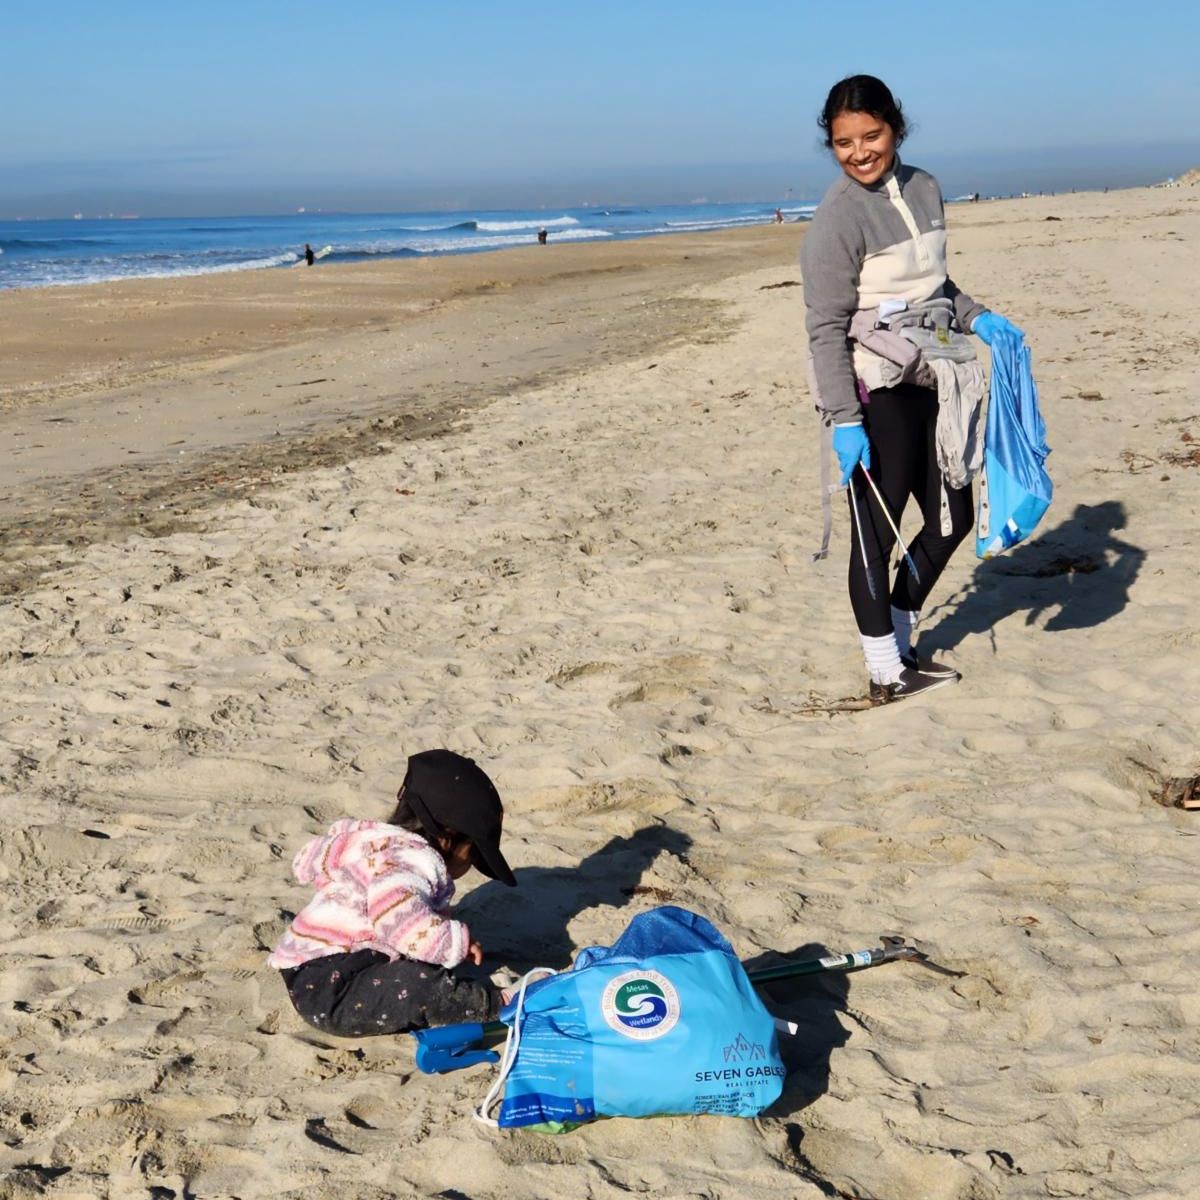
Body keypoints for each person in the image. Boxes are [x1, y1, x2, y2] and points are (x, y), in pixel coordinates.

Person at [800, 75, 1023, 701]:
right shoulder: (836, 220)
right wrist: (845, 419)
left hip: (938, 376)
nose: (859, 152)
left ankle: (901, 640)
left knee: (953, 519)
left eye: (871, 135)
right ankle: (884, 670)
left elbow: (938, 287)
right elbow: (823, 327)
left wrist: (981, 318)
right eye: (843, 142)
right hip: (875, 391)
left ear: (896, 127)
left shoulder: (925, 187)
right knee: (876, 528)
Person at [268, 749, 518, 1035]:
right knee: (420, 984)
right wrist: (456, 942)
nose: (471, 864)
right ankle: (497, 1003)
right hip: (333, 988)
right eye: (472, 853)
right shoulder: (411, 862)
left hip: (311, 972)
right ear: (447, 841)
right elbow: (403, 925)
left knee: (418, 968)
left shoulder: (380, 845)